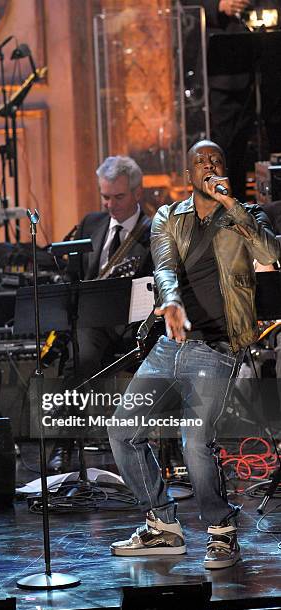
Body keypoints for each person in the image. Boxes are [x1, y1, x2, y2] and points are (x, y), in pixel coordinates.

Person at [107, 140, 279, 569]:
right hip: (172, 343)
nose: (208, 165)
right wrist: (171, 302)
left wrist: (232, 205)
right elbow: (163, 266)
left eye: (215, 160)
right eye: (200, 161)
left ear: (225, 169)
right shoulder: (169, 216)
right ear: (187, 175)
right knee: (123, 429)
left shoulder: (245, 215)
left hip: (219, 346)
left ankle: (221, 531)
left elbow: (271, 254)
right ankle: (162, 525)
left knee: (194, 439)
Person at [47, 155, 153, 473]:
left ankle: (134, 450)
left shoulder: (153, 233)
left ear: (137, 193)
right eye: (105, 196)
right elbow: (74, 276)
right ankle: (65, 443)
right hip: (95, 322)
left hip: (136, 323)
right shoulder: (90, 223)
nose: (109, 204)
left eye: (118, 197)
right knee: (82, 354)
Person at [184, 0, 281, 201]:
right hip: (227, 66)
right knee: (230, 150)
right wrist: (218, 5)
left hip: (273, 58)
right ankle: (233, 215)